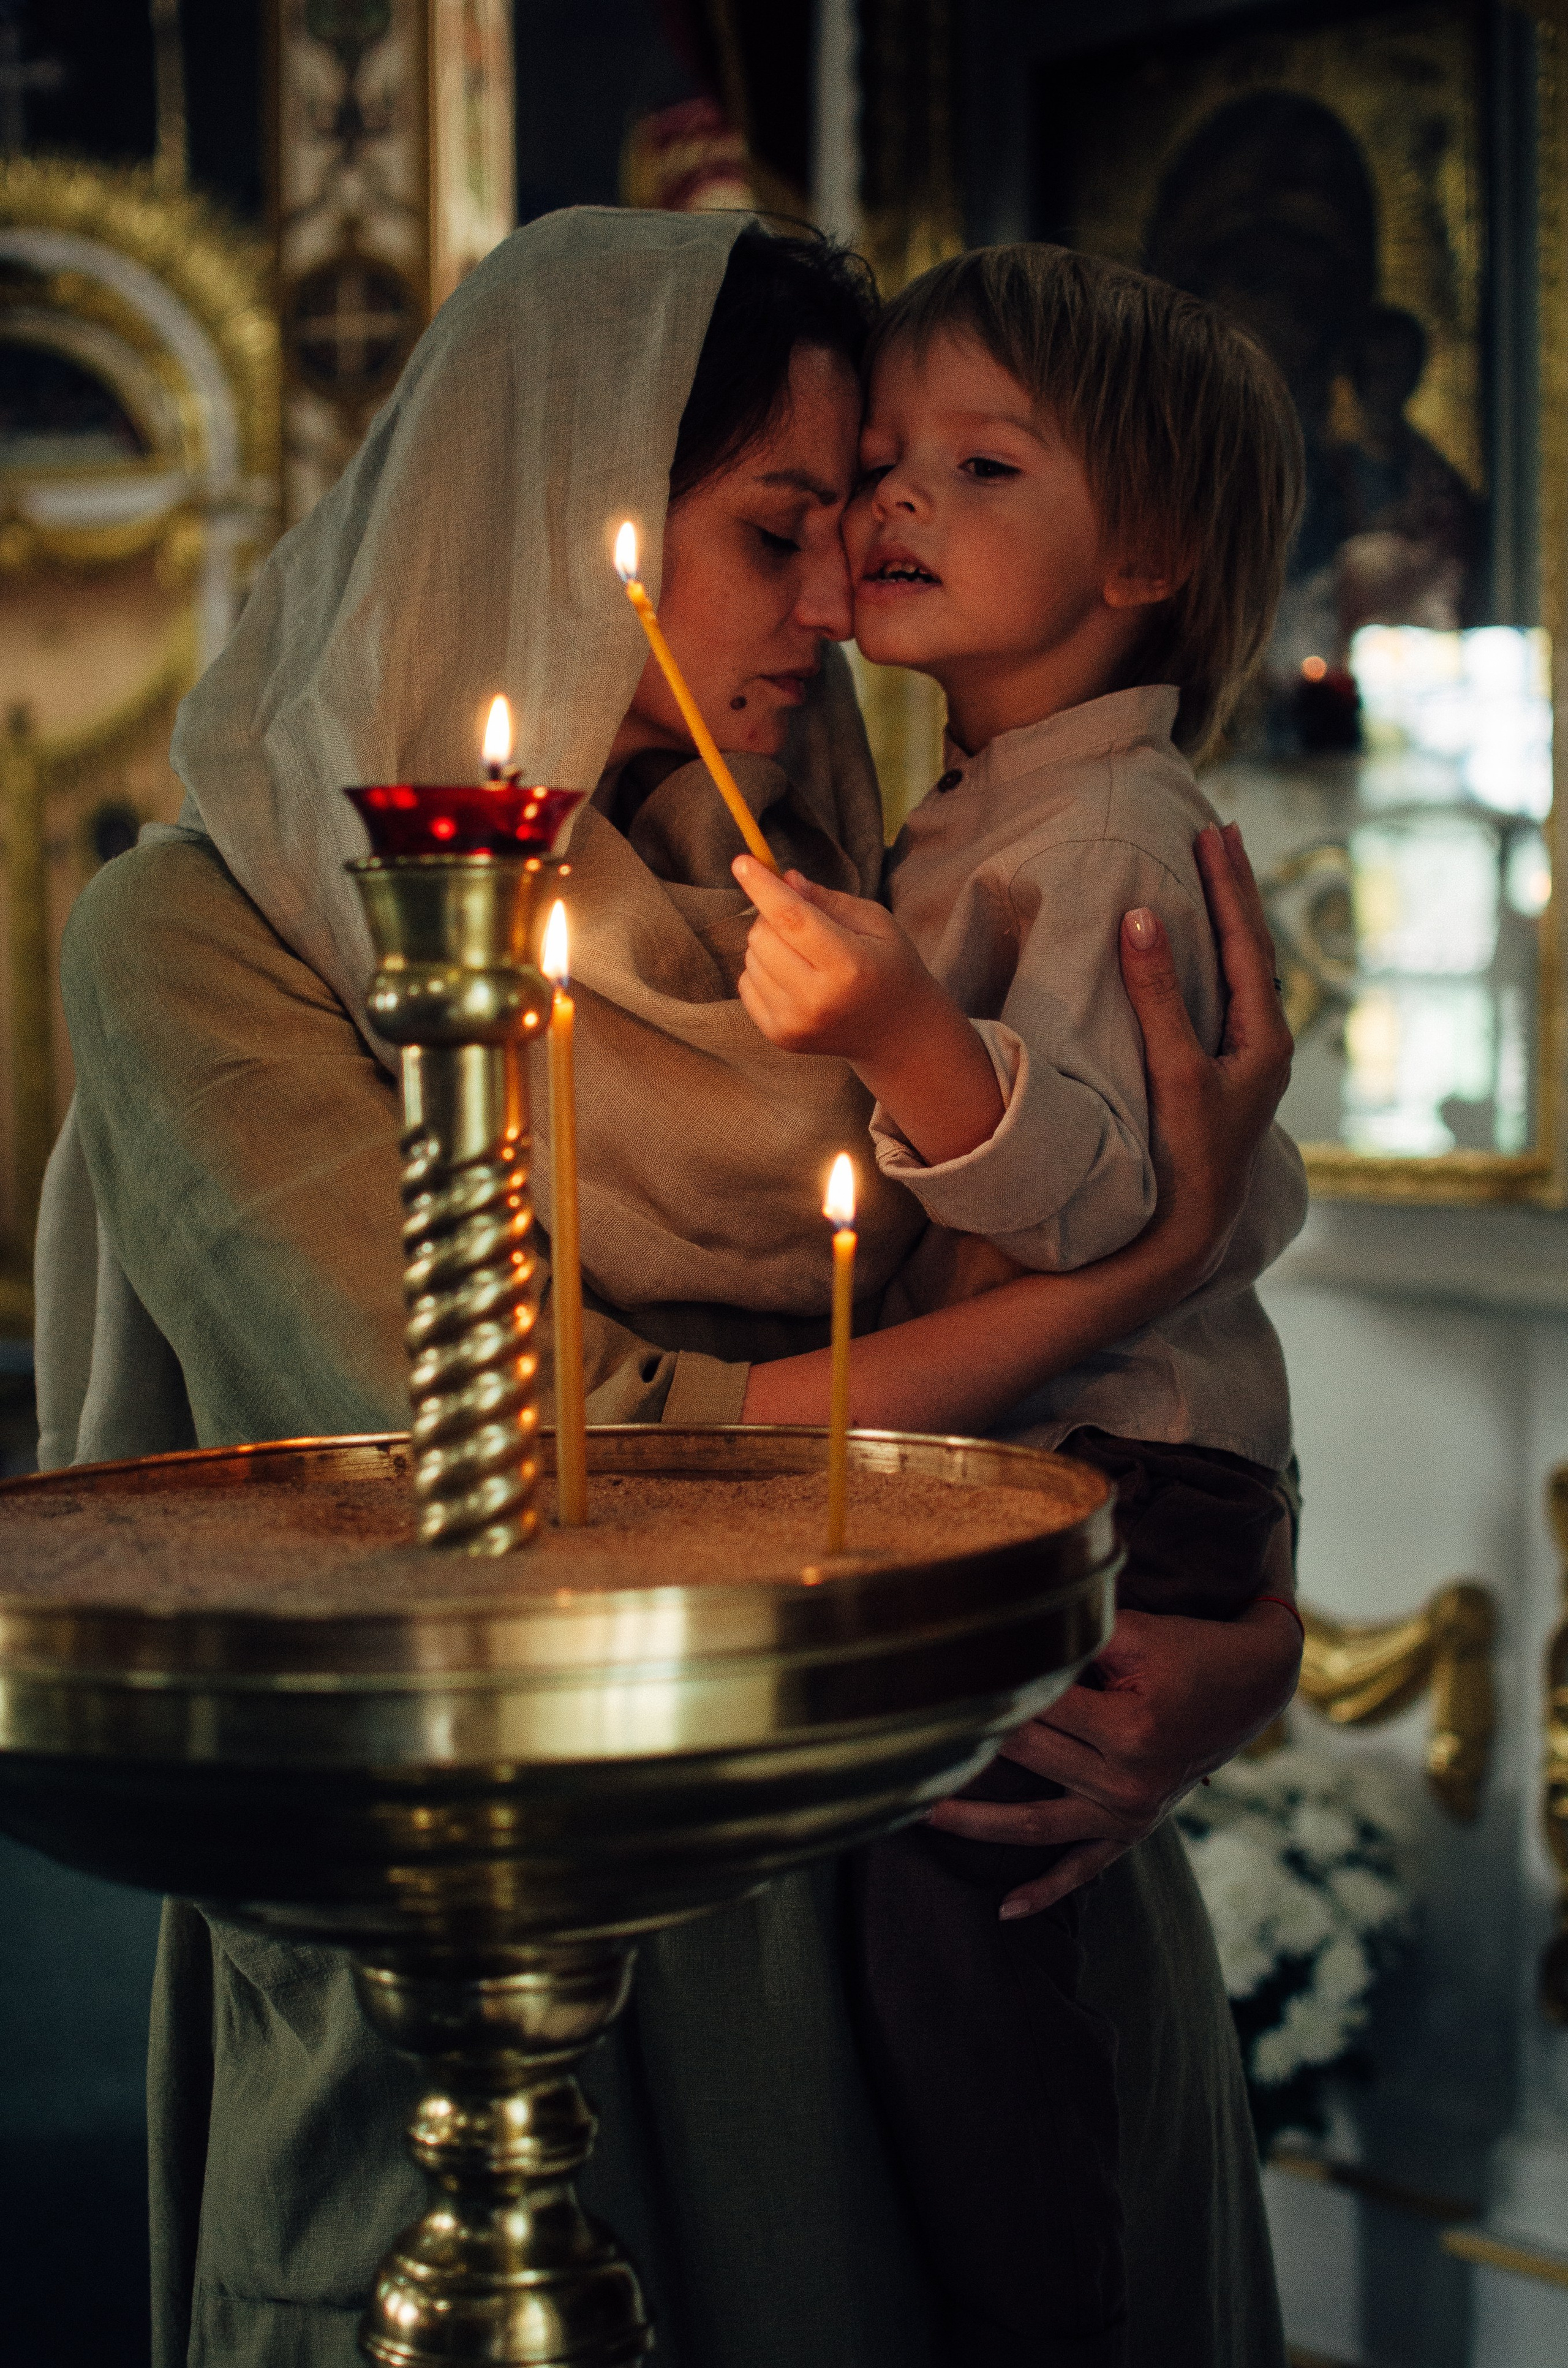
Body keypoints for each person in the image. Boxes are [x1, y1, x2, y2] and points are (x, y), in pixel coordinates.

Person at [33, 210, 1300, 2368]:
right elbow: (540, 1444)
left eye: (874, 512)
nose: (844, 594)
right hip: (497, 1994)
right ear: (557, 510)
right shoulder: (218, 934)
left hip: (963, 1900)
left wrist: (1245, 1640)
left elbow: (1130, 1343)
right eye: (780, 523)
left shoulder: (818, 902)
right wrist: (1139, 1265)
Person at [731, 241, 1306, 2365]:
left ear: (1144, 552)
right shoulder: (981, 804)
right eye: (878, 463)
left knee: (978, 1960)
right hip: (1060, 1443)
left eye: (979, 466)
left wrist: (900, 1036)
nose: (892, 509)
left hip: (1113, 1465)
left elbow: (1127, 1188)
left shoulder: (1117, 835)